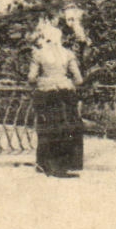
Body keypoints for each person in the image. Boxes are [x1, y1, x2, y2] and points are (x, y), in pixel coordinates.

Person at [28, 25, 83, 178]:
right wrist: (64, 79)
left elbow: (31, 78)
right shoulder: (68, 54)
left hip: (46, 95)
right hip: (66, 95)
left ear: (46, 38)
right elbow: (79, 79)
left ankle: (44, 163)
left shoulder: (38, 54)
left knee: (46, 128)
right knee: (66, 129)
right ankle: (66, 164)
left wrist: (44, 80)